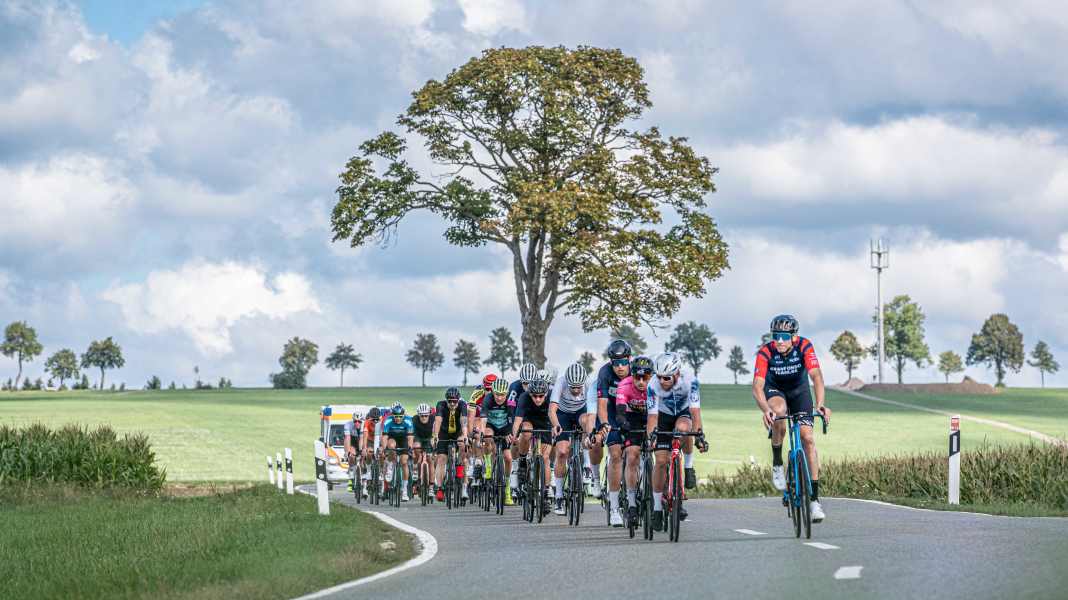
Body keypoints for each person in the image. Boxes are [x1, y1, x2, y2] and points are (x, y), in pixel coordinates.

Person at [753, 314, 831, 522]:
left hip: (799, 392)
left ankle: (814, 501)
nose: (779, 340)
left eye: (784, 336)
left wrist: (820, 404)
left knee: (808, 439)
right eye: (775, 336)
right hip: (775, 390)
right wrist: (765, 409)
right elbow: (757, 387)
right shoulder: (766, 352)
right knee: (779, 412)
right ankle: (778, 462)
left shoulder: (804, 346)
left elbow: (816, 376)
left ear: (794, 337)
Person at [645, 352, 705, 530]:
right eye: (659, 377)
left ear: (677, 373)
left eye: (666, 378)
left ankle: (688, 466)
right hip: (662, 417)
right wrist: (651, 437)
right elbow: (652, 417)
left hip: (683, 413)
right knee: (661, 461)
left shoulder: (690, 381)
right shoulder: (652, 385)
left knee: (684, 429)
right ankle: (657, 508)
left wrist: (699, 436)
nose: (662, 381)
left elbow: (695, 412)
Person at [589, 339, 632, 503]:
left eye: (623, 362)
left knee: (635, 452)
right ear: (610, 362)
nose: (620, 367)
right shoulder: (605, 373)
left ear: (629, 359)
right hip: (611, 413)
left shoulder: (636, 372)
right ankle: (598, 482)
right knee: (614, 453)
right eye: (616, 363)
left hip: (630, 412)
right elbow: (602, 404)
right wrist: (605, 424)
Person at [549, 362, 593, 516]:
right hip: (563, 414)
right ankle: (559, 496)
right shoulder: (560, 382)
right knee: (562, 452)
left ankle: (587, 465)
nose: (575, 390)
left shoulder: (589, 383)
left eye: (578, 387)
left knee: (587, 423)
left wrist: (590, 432)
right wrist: (556, 425)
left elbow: (593, 411)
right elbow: (552, 410)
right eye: (572, 387)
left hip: (581, 411)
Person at [614, 355, 653, 527]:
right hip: (632, 418)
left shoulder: (656, 387)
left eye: (645, 377)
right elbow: (620, 412)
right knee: (632, 455)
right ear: (632, 375)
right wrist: (623, 423)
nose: (641, 381)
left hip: (652, 416)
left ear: (651, 376)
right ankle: (631, 504)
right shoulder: (624, 385)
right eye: (637, 377)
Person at [511, 376, 554, 511]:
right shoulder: (524, 397)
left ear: (546, 394)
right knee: (526, 432)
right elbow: (517, 421)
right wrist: (514, 436)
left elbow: (556, 417)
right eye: (534, 396)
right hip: (529, 420)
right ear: (530, 394)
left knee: (545, 459)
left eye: (541, 396)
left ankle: (545, 494)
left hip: (545, 422)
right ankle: (523, 460)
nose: (538, 399)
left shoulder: (551, 397)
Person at [481, 377, 516, 505]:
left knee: (508, 458)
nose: (500, 398)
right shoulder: (488, 399)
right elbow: (483, 418)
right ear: (492, 392)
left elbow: (512, 419)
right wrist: (482, 433)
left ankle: (507, 488)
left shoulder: (511, 400)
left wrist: (510, 433)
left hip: (505, 427)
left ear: (507, 393)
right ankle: (488, 464)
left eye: (502, 395)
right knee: (487, 437)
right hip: (491, 425)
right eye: (497, 394)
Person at [432, 387, 469, 502]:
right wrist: (435, 436)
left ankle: (463, 485)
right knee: (441, 459)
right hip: (444, 433)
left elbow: (464, 421)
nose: (452, 403)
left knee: (462, 445)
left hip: (457, 433)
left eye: (454, 401)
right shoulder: (441, 405)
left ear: (458, 400)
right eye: (450, 401)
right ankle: (439, 488)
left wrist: (465, 436)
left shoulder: (462, 405)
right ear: (446, 400)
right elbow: (438, 420)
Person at [382, 402, 415, 502]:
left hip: (403, 440)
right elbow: (385, 437)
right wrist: (384, 448)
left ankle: (404, 490)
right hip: (392, 438)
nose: (398, 418)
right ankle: (390, 466)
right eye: (396, 416)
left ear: (403, 415)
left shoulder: (408, 420)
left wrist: (410, 448)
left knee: (404, 462)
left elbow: (410, 437)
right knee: (391, 446)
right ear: (392, 415)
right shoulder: (388, 420)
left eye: (400, 416)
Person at [412, 403, 435, 496]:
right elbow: (411, 434)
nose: (424, 417)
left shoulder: (433, 419)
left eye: (426, 415)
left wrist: (434, 439)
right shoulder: (414, 419)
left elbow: (437, 431)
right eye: (422, 416)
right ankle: (416, 469)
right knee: (416, 447)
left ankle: (431, 487)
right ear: (418, 415)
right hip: (418, 438)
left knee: (430, 461)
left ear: (429, 414)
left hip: (429, 439)